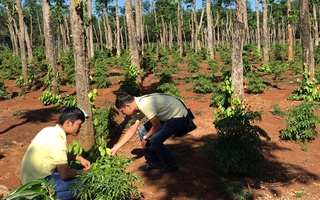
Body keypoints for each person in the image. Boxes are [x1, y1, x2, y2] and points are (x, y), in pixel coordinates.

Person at [20, 107, 91, 200]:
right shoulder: (58, 141)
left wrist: (78, 158)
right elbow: (65, 174)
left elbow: (58, 154)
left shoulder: (49, 130)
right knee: (85, 183)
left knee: (66, 164)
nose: (80, 128)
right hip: (38, 187)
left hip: (27, 182)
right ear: (68, 123)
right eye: (79, 124)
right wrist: (84, 173)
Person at [111, 92, 188, 173]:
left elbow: (157, 126)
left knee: (155, 141)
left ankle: (173, 164)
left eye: (122, 111)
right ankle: (154, 162)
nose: (123, 114)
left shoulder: (144, 104)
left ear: (128, 106)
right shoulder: (135, 107)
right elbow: (131, 130)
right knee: (142, 131)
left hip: (177, 115)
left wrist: (145, 137)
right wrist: (116, 148)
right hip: (165, 116)